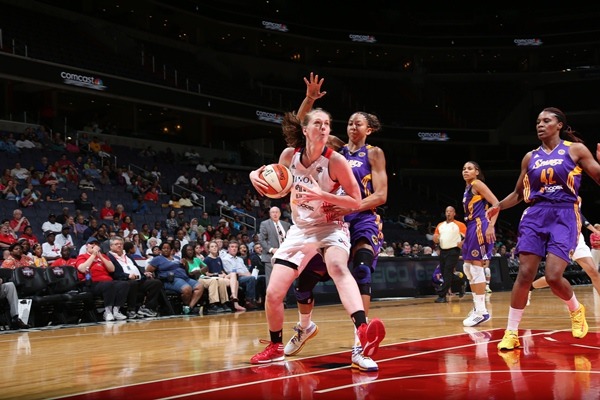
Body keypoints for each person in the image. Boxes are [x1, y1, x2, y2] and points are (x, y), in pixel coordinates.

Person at [248, 107, 385, 364]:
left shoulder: (336, 161)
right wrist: (255, 176)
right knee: (274, 293)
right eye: (318, 123)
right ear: (305, 129)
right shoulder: (290, 155)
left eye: (327, 124)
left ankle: (363, 331)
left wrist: (324, 196)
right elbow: (272, 179)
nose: (323, 127)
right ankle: (276, 345)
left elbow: (355, 200)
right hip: (299, 230)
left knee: (337, 267)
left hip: (330, 227)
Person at [283, 72, 389, 371]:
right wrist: (310, 100)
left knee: (363, 270)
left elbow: (380, 195)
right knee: (304, 282)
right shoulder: (336, 150)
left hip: (362, 219)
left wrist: (349, 207)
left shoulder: (374, 153)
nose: (354, 125)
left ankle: (361, 344)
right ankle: (304, 328)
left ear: (369, 129)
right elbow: (298, 129)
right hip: (331, 223)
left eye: (360, 122)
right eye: (351, 121)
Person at [488, 107, 600, 351]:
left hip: (564, 213)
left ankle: (575, 308)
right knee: (525, 274)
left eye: (546, 121)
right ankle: (511, 332)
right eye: (538, 121)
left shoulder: (575, 150)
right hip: (535, 214)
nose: (540, 125)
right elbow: (519, 193)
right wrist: (498, 206)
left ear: (559, 125)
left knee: (552, 276)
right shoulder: (530, 157)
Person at [529, 198, 600, 301]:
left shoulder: (577, 198)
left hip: (576, 238)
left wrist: (594, 231)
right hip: (560, 239)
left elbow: (579, 216)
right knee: (553, 278)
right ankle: (530, 287)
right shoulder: (551, 197)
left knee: (593, 272)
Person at [460, 161, 500, 327]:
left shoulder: (477, 184)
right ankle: (477, 307)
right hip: (470, 227)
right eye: (463, 169)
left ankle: (482, 312)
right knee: (467, 268)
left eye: (469, 168)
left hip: (479, 225)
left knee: (476, 267)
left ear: (477, 171)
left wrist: (491, 225)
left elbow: (496, 204)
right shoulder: (468, 188)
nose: (465, 171)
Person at [75, 237, 130, 321]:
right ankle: (107, 312)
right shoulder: (82, 256)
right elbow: (82, 268)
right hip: (91, 283)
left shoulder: (103, 256)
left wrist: (100, 255)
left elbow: (112, 269)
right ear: (86, 246)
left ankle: (116, 310)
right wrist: (93, 255)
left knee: (124, 284)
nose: (94, 245)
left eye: (96, 244)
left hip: (107, 281)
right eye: (92, 243)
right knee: (108, 284)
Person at [107, 236, 161, 319]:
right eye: (116, 244)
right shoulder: (109, 257)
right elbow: (113, 273)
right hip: (123, 281)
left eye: (121, 244)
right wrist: (127, 276)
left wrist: (144, 274)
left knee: (156, 283)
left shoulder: (128, 255)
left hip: (138, 279)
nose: (119, 246)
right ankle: (131, 309)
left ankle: (146, 307)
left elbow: (136, 267)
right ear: (111, 246)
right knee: (133, 283)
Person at [145, 241, 204, 315]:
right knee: (187, 289)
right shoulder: (157, 259)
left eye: (168, 248)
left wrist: (185, 264)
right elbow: (147, 271)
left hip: (185, 277)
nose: (166, 250)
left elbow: (186, 270)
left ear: (171, 250)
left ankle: (189, 307)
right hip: (171, 280)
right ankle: (186, 307)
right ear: (160, 250)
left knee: (200, 287)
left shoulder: (177, 258)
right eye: (164, 248)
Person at [180, 243, 230, 314]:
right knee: (214, 281)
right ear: (184, 251)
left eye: (191, 250)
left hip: (204, 277)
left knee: (221, 280)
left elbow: (206, 267)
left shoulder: (196, 259)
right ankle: (213, 304)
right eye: (188, 250)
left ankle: (224, 303)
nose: (190, 251)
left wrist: (198, 271)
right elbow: (189, 273)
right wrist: (199, 271)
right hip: (195, 280)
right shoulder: (184, 261)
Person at [432, 206, 467, 303]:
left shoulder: (459, 225)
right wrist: (435, 238)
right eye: (447, 211)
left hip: (453, 251)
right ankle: (461, 282)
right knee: (445, 273)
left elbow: (468, 236)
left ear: (454, 213)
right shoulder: (440, 225)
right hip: (443, 251)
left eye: (450, 211)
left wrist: (462, 242)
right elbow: (435, 236)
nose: (448, 213)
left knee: (447, 271)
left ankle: (442, 295)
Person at [258, 206, 292, 304]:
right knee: (271, 280)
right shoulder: (265, 224)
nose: (275, 214)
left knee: (283, 279)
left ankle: (283, 300)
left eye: (277, 212)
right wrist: (271, 249)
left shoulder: (286, 224)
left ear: (280, 213)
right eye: (273, 212)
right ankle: (271, 302)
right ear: (270, 214)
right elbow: (262, 240)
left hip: (284, 256)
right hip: (270, 256)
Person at [204, 240, 246, 312]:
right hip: (214, 278)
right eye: (212, 247)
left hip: (221, 276)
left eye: (216, 246)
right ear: (209, 249)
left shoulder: (219, 258)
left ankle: (234, 296)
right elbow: (206, 273)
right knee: (235, 282)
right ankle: (234, 303)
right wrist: (217, 274)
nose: (214, 248)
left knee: (233, 275)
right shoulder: (206, 260)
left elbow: (222, 270)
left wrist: (224, 274)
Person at [221, 240, 257, 310]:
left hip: (244, 276)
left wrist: (245, 274)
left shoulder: (240, 259)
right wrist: (244, 274)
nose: (234, 248)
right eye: (232, 247)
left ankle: (258, 300)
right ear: (228, 249)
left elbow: (247, 272)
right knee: (251, 278)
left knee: (259, 278)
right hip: (235, 279)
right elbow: (233, 273)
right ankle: (248, 301)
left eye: (236, 247)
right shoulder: (225, 259)